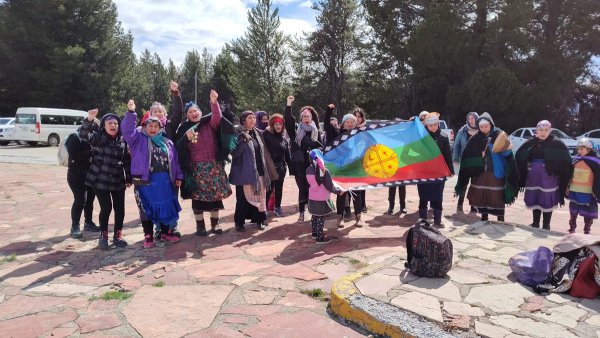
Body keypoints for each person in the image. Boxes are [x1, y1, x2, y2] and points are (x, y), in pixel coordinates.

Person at [122, 100, 183, 248]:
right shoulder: (137, 140)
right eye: (150, 126)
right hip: (145, 182)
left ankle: (165, 233)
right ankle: (148, 236)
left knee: (166, 206)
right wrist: (131, 113)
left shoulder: (167, 143)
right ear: (145, 127)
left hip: (165, 181)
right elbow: (126, 130)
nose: (153, 128)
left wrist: (179, 176)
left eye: (156, 126)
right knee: (147, 209)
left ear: (160, 128)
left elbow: (175, 161)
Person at [175, 90, 232, 236]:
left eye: (196, 111)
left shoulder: (209, 123)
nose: (193, 114)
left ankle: (215, 224)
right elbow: (179, 148)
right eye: (190, 112)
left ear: (200, 112)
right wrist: (186, 138)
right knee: (198, 199)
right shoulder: (184, 128)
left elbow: (218, 117)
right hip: (196, 168)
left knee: (215, 197)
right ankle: (200, 226)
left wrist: (214, 102)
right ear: (187, 115)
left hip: (213, 166)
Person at [80, 109, 132, 250]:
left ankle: (118, 235)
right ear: (104, 125)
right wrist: (89, 119)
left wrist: (129, 177)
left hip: (117, 179)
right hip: (99, 179)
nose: (113, 125)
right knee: (106, 207)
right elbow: (84, 135)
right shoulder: (98, 138)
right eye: (110, 123)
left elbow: (127, 160)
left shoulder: (123, 141)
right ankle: (103, 236)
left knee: (120, 208)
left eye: (115, 123)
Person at [455, 113, 519, 222]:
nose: (484, 128)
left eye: (486, 126)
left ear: (491, 124)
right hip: (480, 174)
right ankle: (484, 219)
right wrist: (479, 157)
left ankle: (500, 220)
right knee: (482, 198)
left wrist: (507, 149)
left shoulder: (499, 135)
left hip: (496, 173)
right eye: (481, 127)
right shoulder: (475, 139)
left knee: (497, 197)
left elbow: (507, 155)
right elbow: (467, 155)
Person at [516, 120, 572, 230]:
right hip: (534, 177)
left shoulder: (557, 143)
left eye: (546, 130)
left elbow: (566, 161)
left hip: (549, 178)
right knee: (536, 197)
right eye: (541, 130)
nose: (543, 132)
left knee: (547, 199)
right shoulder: (531, 142)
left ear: (550, 131)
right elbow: (519, 156)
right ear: (536, 130)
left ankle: (546, 225)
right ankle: (535, 223)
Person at [230, 111, 278, 231]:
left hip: (259, 171)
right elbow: (235, 153)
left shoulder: (257, 133)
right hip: (244, 172)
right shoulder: (237, 134)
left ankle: (260, 220)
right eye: (249, 118)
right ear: (243, 120)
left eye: (254, 118)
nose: (253, 120)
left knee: (261, 197)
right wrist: (243, 139)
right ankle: (239, 223)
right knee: (243, 199)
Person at [284, 95, 323, 222]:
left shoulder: (316, 131)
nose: (306, 118)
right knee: (302, 188)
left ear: (312, 118)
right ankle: (301, 213)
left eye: (308, 116)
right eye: (304, 116)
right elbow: (288, 120)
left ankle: (313, 212)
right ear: (301, 118)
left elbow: (321, 147)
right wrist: (289, 104)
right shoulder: (296, 130)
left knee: (313, 188)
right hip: (299, 165)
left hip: (312, 165)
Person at [324, 108, 364, 227]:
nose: (350, 123)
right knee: (341, 193)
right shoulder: (337, 133)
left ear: (356, 123)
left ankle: (358, 216)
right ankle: (340, 216)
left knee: (357, 193)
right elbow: (327, 125)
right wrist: (329, 111)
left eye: (352, 121)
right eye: (348, 121)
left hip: (355, 167)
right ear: (344, 123)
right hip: (341, 168)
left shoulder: (359, 134)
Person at [417, 112, 454, 227]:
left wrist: (451, 170)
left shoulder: (443, 136)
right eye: (430, 125)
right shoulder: (422, 137)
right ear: (426, 126)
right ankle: (422, 220)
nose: (433, 127)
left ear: (438, 124)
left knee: (438, 196)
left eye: (435, 124)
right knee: (423, 196)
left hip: (439, 172)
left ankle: (437, 220)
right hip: (424, 172)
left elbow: (447, 154)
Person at [66, 126, 100, 238]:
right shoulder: (74, 137)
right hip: (76, 173)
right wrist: (91, 152)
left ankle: (88, 222)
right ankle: (75, 225)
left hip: (90, 173)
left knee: (90, 199)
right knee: (80, 199)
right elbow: (73, 154)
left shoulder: (94, 137)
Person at [306, 149, 342, 244]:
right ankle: (320, 237)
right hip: (322, 198)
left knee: (314, 216)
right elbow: (330, 186)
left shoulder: (308, 170)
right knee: (321, 217)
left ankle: (314, 234)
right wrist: (339, 192)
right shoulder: (325, 171)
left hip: (312, 197)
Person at [566, 138, 600, 234]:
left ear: (589, 149)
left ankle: (587, 230)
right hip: (575, 190)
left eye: (582, 149)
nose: (579, 151)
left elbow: (598, 177)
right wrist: (567, 186)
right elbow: (570, 174)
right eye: (578, 149)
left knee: (588, 213)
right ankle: (572, 228)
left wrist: (596, 190)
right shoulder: (575, 160)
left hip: (588, 192)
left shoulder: (596, 162)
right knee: (573, 211)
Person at [263, 113, 290, 217]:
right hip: (270, 168)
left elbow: (287, 155)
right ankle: (264, 208)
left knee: (279, 188)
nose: (278, 126)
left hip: (281, 168)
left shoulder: (283, 139)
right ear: (272, 126)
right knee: (269, 189)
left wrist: (292, 168)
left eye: (280, 124)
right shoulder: (267, 135)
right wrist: (267, 129)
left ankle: (277, 207)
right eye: (276, 124)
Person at [453, 112, 479, 213]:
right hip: (465, 161)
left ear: (476, 119)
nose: (471, 120)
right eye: (469, 118)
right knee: (463, 183)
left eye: (473, 118)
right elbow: (457, 145)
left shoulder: (481, 129)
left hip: (477, 161)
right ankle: (459, 205)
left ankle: (473, 205)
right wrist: (455, 159)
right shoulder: (462, 130)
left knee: (475, 184)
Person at [353, 107, 368, 213]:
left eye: (359, 117)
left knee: (363, 182)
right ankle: (348, 207)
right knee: (352, 183)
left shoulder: (366, 128)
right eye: (356, 116)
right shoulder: (349, 127)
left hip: (364, 159)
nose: (357, 119)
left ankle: (363, 204)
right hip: (352, 160)